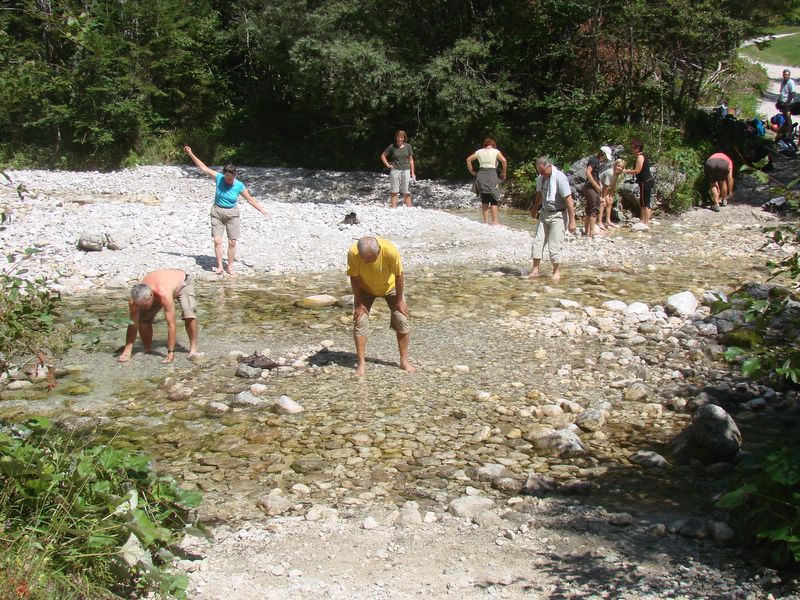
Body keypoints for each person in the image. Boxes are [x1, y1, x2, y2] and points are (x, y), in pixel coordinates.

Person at [183, 145, 271, 277]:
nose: (228, 179)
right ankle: (219, 266)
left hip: (232, 214)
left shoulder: (239, 185)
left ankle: (230, 267)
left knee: (232, 242)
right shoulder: (219, 178)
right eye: (226, 177)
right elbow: (203, 168)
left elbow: (250, 200)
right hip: (217, 212)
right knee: (217, 241)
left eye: (230, 177)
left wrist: (262, 210)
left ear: (234, 175)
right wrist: (191, 154)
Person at [347, 236, 414, 376]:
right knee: (360, 320)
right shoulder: (353, 253)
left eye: (373, 259)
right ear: (360, 254)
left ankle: (404, 360)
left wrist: (400, 300)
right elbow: (354, 277)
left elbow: (399, 275)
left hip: (390, 287)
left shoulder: (390, 251)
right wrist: (359, 302)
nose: (370, 263)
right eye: (367, 260)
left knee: (401, 318)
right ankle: (361, 364)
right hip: (365, 288)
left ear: (379, 251)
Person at [118, 269, 199, 364]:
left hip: (183, 284)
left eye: (144, 305)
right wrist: (127, 350)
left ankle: (193, 348)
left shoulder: (163, 293)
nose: (143, 308)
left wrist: (170, 352)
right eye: (140, 306)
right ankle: (147, 349)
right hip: (161, 283)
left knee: (188, 313)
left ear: (151, 296)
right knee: (144, 319)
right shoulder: (134, 301)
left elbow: (171, 325)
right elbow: (132, 324)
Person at [528, 157, 577, 281]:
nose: (541, 173)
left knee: (554, 245)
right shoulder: (541, 178)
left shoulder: (559, 178)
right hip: (544, 213)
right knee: (538, 242)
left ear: (549, 166)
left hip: (559, 215)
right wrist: (534, 208)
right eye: (540, 171)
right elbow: (540, 194)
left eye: (543, 171)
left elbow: (569, 200)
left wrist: (572, 221)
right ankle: (535, 270)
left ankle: (556, 271)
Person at [466, 137, 508, 226]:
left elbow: (468, 159)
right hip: (492, 174)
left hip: (481, 174)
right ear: (493, 145)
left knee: (484, 198)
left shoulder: (479, 152)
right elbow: (504, 161)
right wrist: (504, 173)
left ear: (485, 145)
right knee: (494, 198)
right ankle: (495, 222)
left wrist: (472, 171)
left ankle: (485, 222)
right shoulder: (495, 151)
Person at [623, 139, 655, 228]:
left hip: (646, 181)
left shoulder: (640, 157)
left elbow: (637, 171)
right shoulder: (642, 156)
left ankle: (646, 222)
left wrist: (626, 171)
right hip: (644, 181)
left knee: (646, 203)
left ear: (637, 148)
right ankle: (642, 220)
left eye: (633, 148)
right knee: (642, 202)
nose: (631, 150)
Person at [380, 131, 416, 208]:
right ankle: (393, 208)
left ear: (404, 138)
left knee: (406, 190)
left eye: (401, 137)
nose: (400, 139)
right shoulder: (392, 147)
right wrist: (388, 165)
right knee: (394, 190)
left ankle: (409, 209)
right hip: (395, 170)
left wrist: (412, 172)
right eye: (398, 137)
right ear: (396, 138)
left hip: (406, 170)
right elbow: (383, 156)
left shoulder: (408, 146)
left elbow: (411, 160)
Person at [582, 146, 612, 236]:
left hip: (591, 187)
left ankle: (587, 231)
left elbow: (596, 175)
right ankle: (592, 231)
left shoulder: (597, 162)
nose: (605, 160)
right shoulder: (594, 160)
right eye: (605, 157)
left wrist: (599, 185)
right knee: (595, 208)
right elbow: (588, 172)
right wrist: (596, 185)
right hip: (590, 187)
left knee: (589, 208)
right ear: (602, 154)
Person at [599, 159, 626, 228]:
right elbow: (606, 186)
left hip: (605, 188)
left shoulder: (617, 174)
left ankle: (608, 220)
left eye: (621, 167)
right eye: (618, 166)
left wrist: (611, 196)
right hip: (599, 186)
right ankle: (599, 222)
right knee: (603, 203)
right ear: (614, 165)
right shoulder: (610, 173)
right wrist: (604, 197)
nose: (619, 168)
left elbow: (613, 186)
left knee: (610, 202)